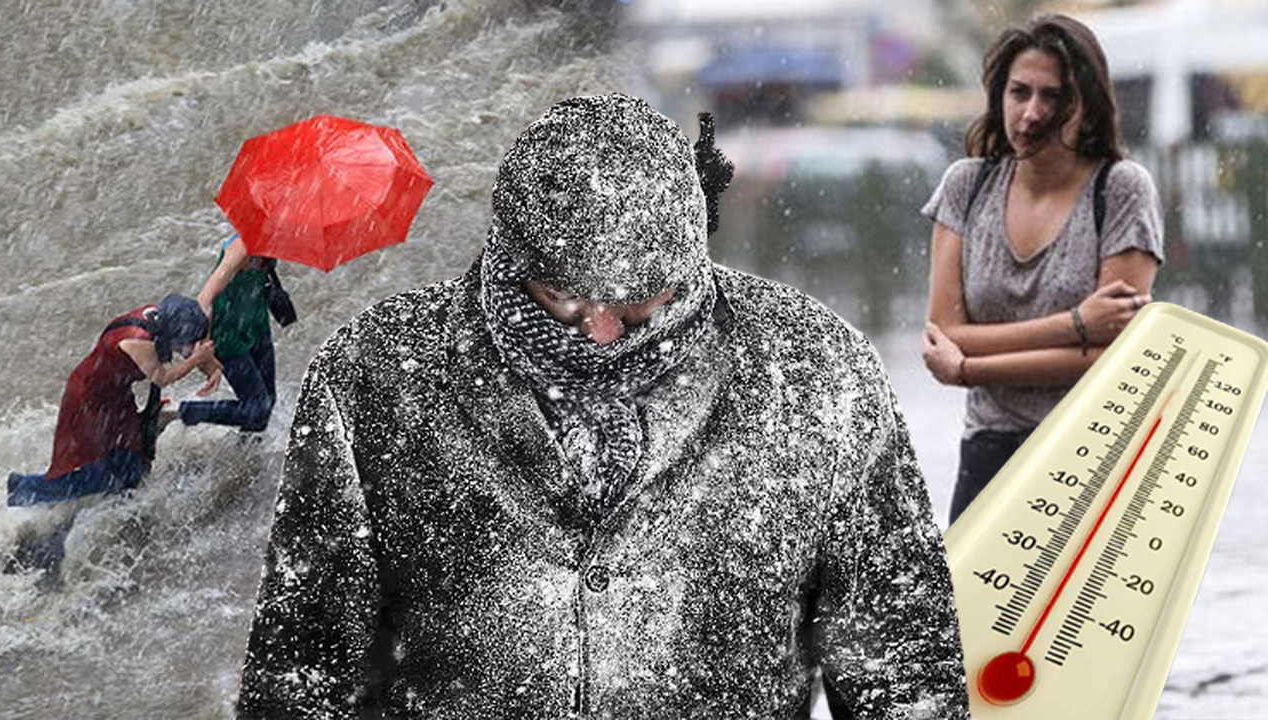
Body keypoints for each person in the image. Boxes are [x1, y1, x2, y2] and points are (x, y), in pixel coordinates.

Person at [236, 93, 968, 719]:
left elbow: (900, 661)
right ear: (511, 256)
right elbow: (304, 662)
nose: (605, 332)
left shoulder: (816, 369)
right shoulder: (375, 374)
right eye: (564, 299)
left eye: (644, 304)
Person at [920, 14, 1164, 524]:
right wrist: (1075, 325)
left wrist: (970, 368)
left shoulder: (1120, 190)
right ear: (998, 96)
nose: (1031, 113)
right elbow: (944, 331)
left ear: (1086, 104)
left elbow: (1110, 359)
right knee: (967, 606)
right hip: (988, 454)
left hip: (1092, 452)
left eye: (1053, 96)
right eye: (1019, 92)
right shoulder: (966, 186)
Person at [6, 294, 218, 506]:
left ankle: (117, 505)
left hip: (115, 394)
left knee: (132, 459)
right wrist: (197, 359)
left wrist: (211, 368)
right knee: (102, 471)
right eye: (188, 341)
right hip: (89, 400)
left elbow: (189, 347)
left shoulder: (162, 318)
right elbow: (163, 378)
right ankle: (24, 489)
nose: (191, 346)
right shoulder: (137, 340)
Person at [171, 234, 278, 432]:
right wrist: (205, 349)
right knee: (257, 408)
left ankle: (246, 455)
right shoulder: (241, 248)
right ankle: (176, 412)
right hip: (227, 336)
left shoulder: (273, 242)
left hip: (257, 328)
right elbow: (206, 297)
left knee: (267, 402)